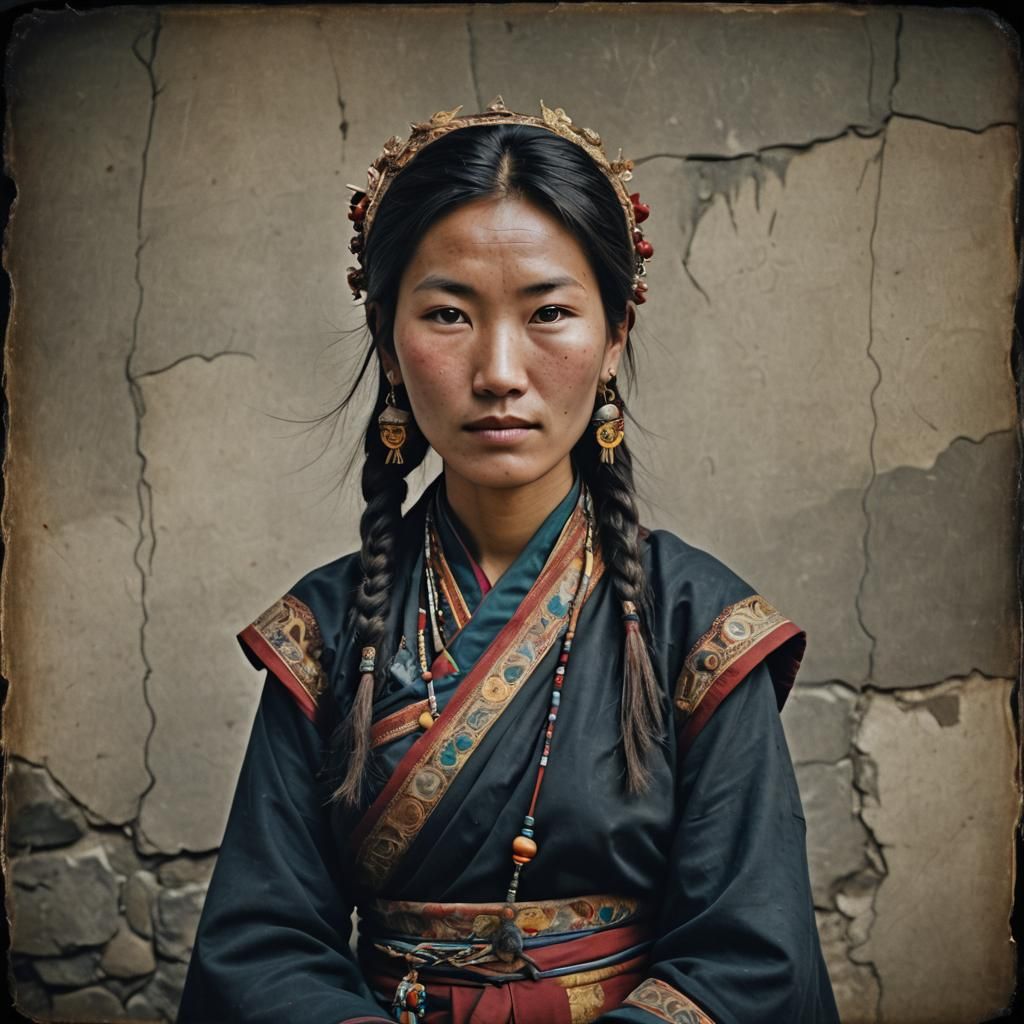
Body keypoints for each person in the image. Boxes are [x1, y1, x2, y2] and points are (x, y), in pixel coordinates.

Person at [177, 98, 840, 1024]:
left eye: (550, 312)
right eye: (449, 314)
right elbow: (263, 946)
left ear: (614, 337)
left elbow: (750, 954)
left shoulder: (698, 626)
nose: (497, 370)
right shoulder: (324, 633)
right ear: (390, 342)